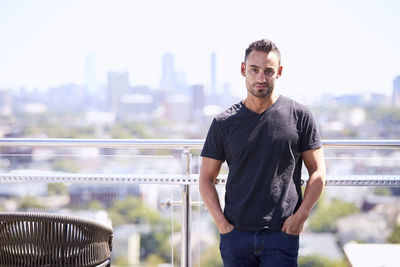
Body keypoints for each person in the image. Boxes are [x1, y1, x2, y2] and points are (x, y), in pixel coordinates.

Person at [199, 39, 326, 267]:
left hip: (282, 234)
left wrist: (302, 215)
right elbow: (206, 179)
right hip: (235, 235)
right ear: (243, 70)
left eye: (268, 71)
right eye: (254, 70)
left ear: (279, 72)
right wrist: (222, 224)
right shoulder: (223, 123)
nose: (261, 78)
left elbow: (318, 172)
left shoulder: (300, 116)